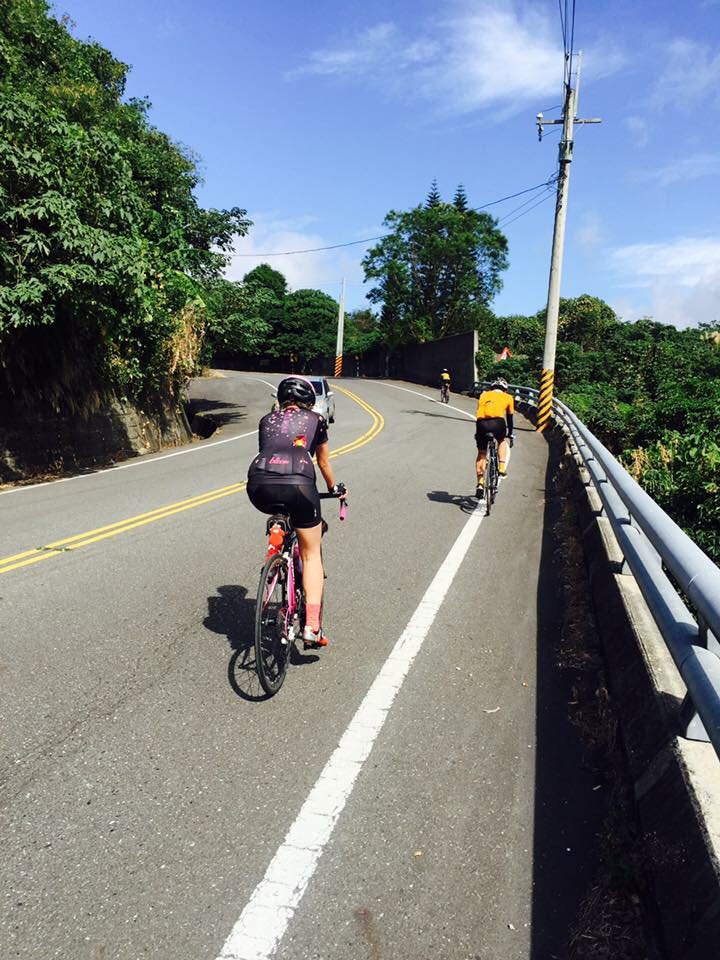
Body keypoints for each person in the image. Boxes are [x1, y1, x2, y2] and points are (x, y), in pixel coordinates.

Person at [247, 376, 347, 647]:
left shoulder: (266, 421)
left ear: (281, 399)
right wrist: (335, 487)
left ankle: (275, 547)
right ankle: (312, 627)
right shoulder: (316, 420)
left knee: (281, 510)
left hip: (259, 484)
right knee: (311, 553)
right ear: (309, 400)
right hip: (300, 485)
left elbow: (271, 451)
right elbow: (323, 462)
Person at [474, 376, 515, 499]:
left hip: (481, 424)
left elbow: (480, 411)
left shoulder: (484, 395)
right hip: (498, 423)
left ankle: (480, 483)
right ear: (505, 389)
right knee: (501, 440)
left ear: (492, 388)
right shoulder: (508, 397)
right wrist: (510, 433)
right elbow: (510, 418)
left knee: (482, 453)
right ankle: (501, 468)